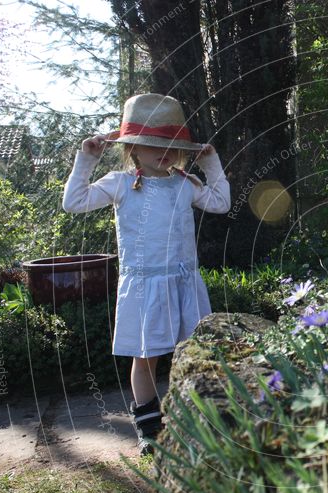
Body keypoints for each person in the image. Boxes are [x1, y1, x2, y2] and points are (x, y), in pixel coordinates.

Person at [62, 93, 231, 455]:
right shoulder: (120, 183)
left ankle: (198, 417)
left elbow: (221, 203)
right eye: (154, 144)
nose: (164, 151)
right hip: (145, 285)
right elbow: (73, 202)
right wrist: (86, 159)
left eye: (171, 144)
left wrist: (212, 164)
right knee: (145, 356)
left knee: (196, 351)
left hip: (184, 283)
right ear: (134, 148)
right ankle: (150, 428)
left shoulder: (186, 184)